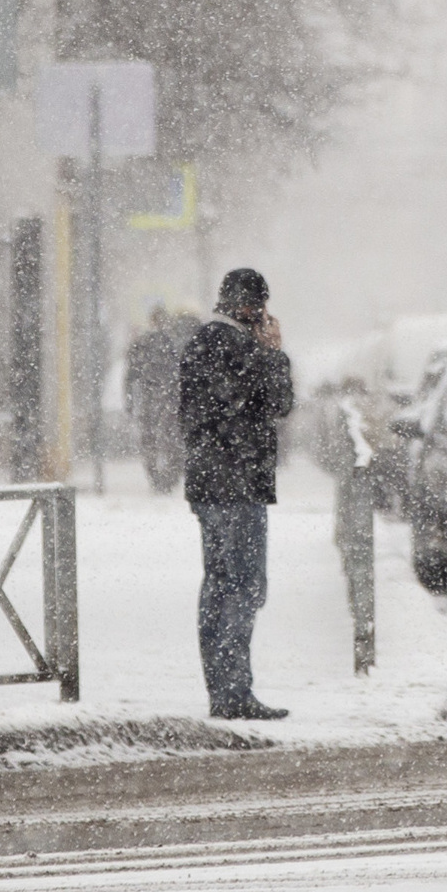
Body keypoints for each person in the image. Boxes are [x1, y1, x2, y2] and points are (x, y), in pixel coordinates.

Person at [178, 267, 296, 720]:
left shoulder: (200, 343)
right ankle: (233, 692)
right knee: (243, 586)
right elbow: (276, 403)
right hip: (238, 484)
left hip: (211, 483)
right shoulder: (237, 347)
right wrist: (274, 354)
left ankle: (224, 689)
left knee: (219, 584)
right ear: (253, 307)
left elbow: (204, 412)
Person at [125, 305, 192, 493]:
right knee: (172, 438)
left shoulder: (143, 343)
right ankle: (167, 478)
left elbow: (131, 374)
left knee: (152, 439)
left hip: (153, 397)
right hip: (171, 398)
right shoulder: (176, 342)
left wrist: (130, 400)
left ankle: (157, 478)